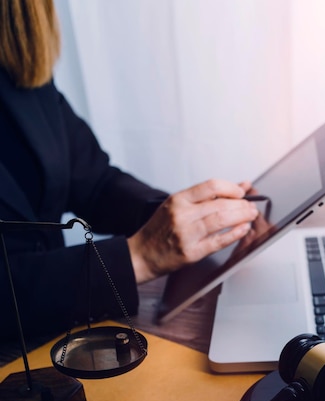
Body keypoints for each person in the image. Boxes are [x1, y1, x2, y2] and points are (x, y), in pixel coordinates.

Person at [0, 0, 257, 340]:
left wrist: (185, 221)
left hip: (55, 337)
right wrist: (138, 258)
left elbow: (94, 182)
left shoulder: (15, 69)